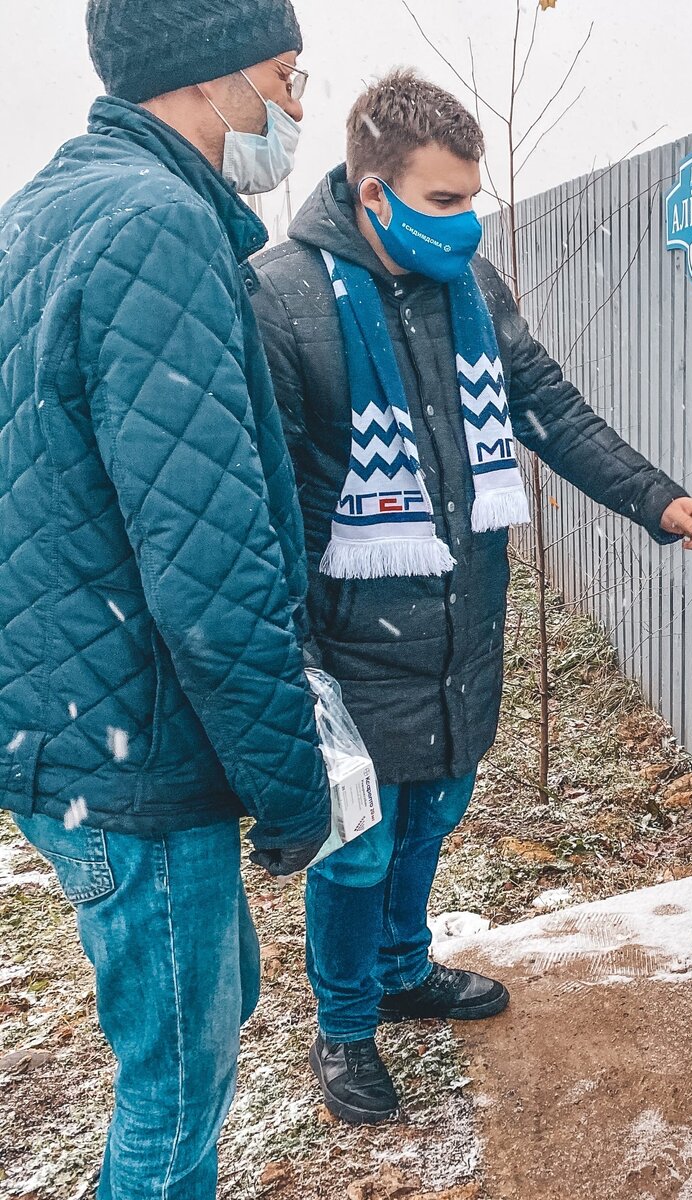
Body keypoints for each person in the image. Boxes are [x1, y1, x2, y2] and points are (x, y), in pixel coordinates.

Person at [251, 68, 692, 1124]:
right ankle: (342, 1027)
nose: (466, 223)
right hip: (350, 637)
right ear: (372, 192)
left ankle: (402, 969)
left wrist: (657, 499)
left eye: (473, 199)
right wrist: (286, 660)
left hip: (465, 618)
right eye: (441, 202)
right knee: (358, 845)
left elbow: (547, 406)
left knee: (435, 813)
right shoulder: (280, 296)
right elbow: (271, 501)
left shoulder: (472, 291)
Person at [0, 3, 332, 1195]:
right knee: (176, 1094)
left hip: (67, 726)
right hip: (132, 752)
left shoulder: (47, 211)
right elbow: (211, 561)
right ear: (214, 76)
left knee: (209, 996)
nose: (299, 108)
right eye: (289, 79)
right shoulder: (155, 229)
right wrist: (292, 789)